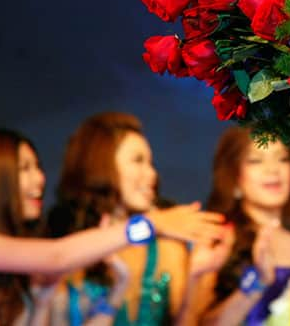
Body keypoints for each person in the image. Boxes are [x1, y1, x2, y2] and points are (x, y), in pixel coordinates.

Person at [0, 128, 222, 326]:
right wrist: (151, 224)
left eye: (39, 167)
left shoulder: (9, 267)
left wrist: (114, 293)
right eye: (25, 168)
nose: (40, 179)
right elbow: (57, 256)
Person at [46, 112, 229, 325]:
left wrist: (194, 277)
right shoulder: (61, 241)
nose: (151, 174)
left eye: (150, 163)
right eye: (137, 161)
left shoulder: (168, 246)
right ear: (101, 162)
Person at [191, 126, 290, 326]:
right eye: (256, 160)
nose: (273, 170)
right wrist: (257, 282)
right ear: (235, 178)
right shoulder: (217, 242)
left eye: (282, 158)